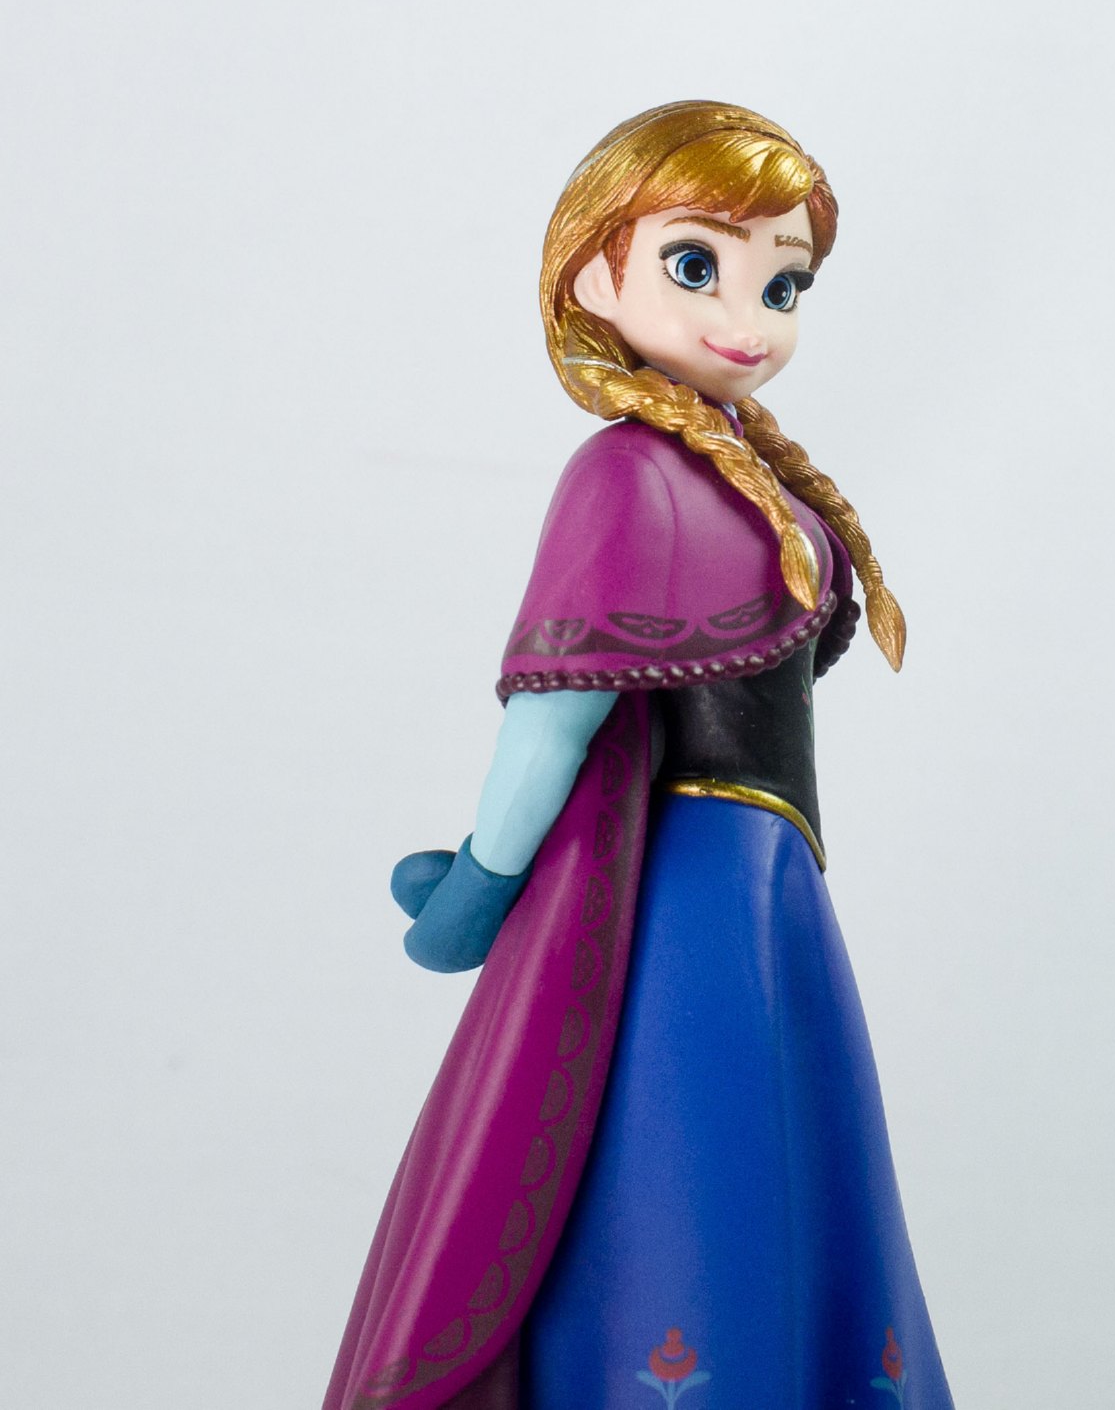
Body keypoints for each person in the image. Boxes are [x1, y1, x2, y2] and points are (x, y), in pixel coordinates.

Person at [325, 101, 955, 1410]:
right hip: (704, 887)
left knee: (742, 1154)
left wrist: (472, 890)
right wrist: (479, 888)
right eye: (694, 264)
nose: (747, 317)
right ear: (591, 274)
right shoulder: (635, 474)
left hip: (751, 884)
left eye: (782, 284)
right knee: (699, 1160)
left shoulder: (738, 480)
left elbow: (559, 726)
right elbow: (554, 718)